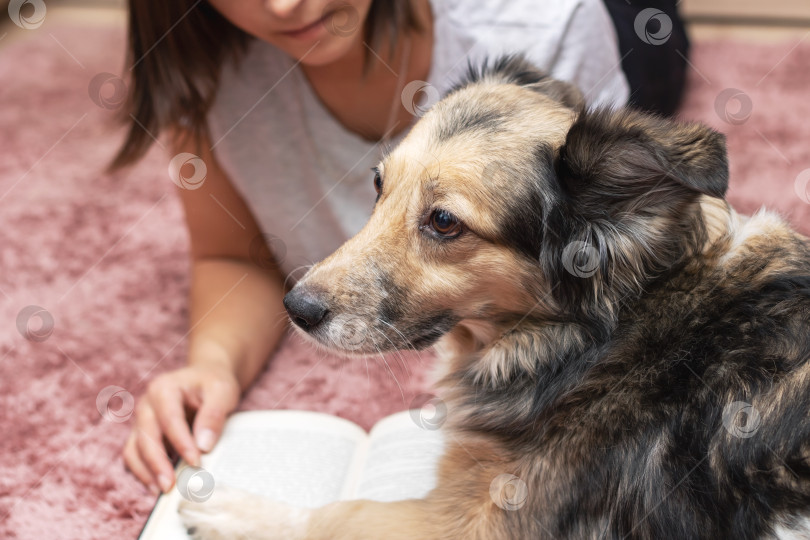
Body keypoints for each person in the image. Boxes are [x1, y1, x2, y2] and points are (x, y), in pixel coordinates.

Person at [113, 0, 686, 495]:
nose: (286, 6)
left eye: (443, 221)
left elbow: (605, 259)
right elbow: (236, 256)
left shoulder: (545, 27)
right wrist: (213, 365)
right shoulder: (203, 71)